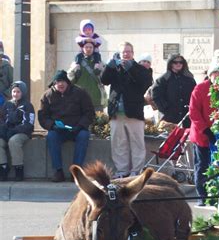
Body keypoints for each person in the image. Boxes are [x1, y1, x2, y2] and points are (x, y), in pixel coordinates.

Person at [100, 42, 153, 178]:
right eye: (123, 52)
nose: (126, 54)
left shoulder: (139, 68)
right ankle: (122, 170)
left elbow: (146, 82)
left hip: (134, 113)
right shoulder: (115, 67)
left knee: (137, 143)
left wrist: (132, 68)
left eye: (128, 51)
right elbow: (104, 80)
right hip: (117, 112)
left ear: (133, 53)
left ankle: (136, 170)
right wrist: (109, 67)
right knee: (118, 144)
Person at [38, 70, 95, 182]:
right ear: (54, 83)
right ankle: (58, 171)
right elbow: (42, 117)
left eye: (63, 81)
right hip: (58, 130)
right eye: (58, 81)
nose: (61, 84)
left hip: (77, 128)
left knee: (84, 135)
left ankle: (76, 172)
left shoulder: (80, 92)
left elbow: (89, 112)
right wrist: (52, 126)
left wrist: (80, 125)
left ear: (68, 82)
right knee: (51, 136)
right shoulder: (47, 95)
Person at [189, 64, 219, 206]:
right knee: (202, 165)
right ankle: (202, 195)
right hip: (203, 135)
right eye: (215, 73)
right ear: (210, 74)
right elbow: (194, 112)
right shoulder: (200, 88)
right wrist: (206, 130)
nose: (217, 76)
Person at [0, 81, 35, 181]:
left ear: (23, 92)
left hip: (22, 132)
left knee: (14, 141)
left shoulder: (27, 105)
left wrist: (14, 131)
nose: (15, 94)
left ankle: (18, 169)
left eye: (18, 92)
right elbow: (2, 119)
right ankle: (3, 168)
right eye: (14, 92)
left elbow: (28, 124)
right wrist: (3, 130)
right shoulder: (7, 104)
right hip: (8, 131)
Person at [151, 53, 196, 129]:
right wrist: (165, 108)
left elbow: (195, 95)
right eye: (175, 62)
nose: (178, 64)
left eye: (181, 62)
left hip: (186, 117)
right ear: (171, 63)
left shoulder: (189, 79)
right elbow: (156, 94)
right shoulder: (164, 79)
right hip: (169, 118)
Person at [67, 40, 106, 111]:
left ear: (94, 49)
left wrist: (101, 69)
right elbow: (69, 81)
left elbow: (106, 80)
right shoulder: (76, 63)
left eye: (91, 47)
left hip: (96, 100)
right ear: (82, 48)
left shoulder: (100, 63)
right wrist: (73, 70)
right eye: (86, 47)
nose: (88, 49)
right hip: (80, 100)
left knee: (98, 121)